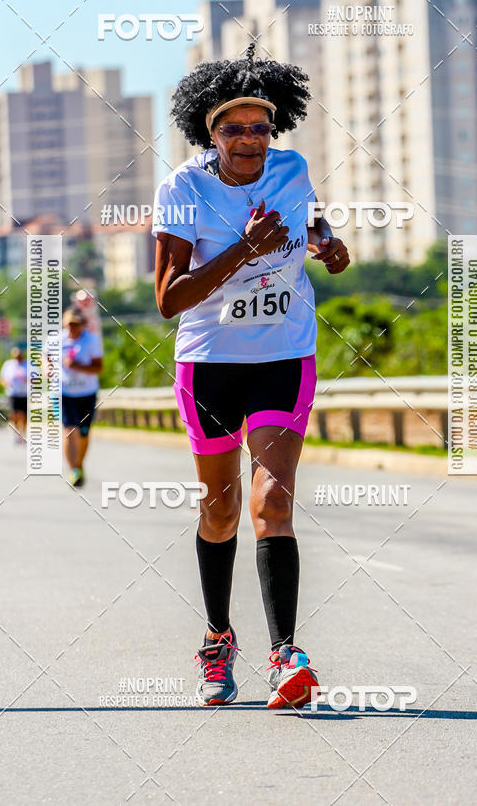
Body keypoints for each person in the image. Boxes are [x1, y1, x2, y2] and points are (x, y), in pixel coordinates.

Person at [153, 44, 350, 709]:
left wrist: (325, 243)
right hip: (209, 363)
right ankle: (217, 639)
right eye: (233, 127)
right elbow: (169, 298)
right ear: (209, 132)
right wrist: (245, 248)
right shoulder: (183, 188)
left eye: (260, 126)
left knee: (272, 502)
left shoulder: (291, 170)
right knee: (221, 507)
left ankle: (286, 653)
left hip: (284, 355)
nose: (249, 139)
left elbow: (310, 218)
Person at [61, 307, 103, 487]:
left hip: (87, 393)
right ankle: (74, 470)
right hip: (64, 392)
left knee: (84, 433)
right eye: (69, 324)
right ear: (64, 324)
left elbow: (98, 368)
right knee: (70, 430)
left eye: (76, 324)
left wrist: (77, 366)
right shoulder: (57, 340)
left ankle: (79, 463)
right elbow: (44, 358)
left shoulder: (91, 340)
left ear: (83, 325)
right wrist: (47, 368)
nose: (72, 328)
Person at [0, 347, 28, 444]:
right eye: (16, 357)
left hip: (24, 393)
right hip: (13, 393)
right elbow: (2, 378)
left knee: (24, 414)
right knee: (14, 414)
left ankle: (23, 432)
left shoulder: (27, 365)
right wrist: (6, 384)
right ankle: (16, 433)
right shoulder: (8, 365)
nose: (18, 358)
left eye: (19, 356)